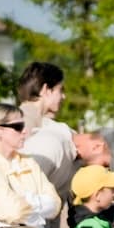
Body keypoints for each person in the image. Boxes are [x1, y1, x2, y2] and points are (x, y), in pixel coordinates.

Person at [17, 62, 79, 208]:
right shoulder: (26, 121)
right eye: (60, 90)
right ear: (46, 90)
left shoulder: (31, 119)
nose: (63, 96)